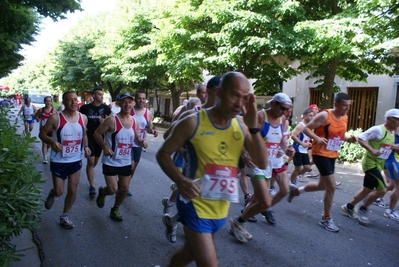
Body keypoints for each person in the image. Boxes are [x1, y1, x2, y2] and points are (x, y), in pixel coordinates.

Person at [156, 71, 267, 266]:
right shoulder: (193, 121)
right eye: (234, 95)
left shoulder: (241, 126)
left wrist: (254, 128)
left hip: (221, 207)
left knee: (187, 254)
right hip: (194, 205)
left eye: (244, 98)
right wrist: (180, 180)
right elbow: (163, 154)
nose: (239, 104)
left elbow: (262, 163)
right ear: (219, 92)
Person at [288, 92, 356, 232]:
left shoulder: (344, 118)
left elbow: (338, 136)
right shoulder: (324, 115)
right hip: (320, 153)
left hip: (332, 153)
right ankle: (326, 218)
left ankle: (296, 190)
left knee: (322, 185)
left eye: (348, 106)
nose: (346, 109)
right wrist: (317, 139)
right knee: (331, 186)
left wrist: (349, 139)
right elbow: (306, 128)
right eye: (344, 106)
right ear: (336, 104)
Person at [239, 93, 295, 228]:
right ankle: (240, 222)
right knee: (264, 201)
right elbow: (240, 136)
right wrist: (244, 155)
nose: (285, 112)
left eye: (287, 109)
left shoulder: (282, 120)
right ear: (273, 104)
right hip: (255, 162)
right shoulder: (260, 116)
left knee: (262, 197)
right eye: (283, 108)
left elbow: (280, 140)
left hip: (270, 163)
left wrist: (286, 149)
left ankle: (243, 217)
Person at [39, 90, 90, 229]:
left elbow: (84, 134)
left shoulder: (83, 118)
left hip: (75, 159)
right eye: (70, 100)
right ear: (64, 102)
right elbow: (42, 134)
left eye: (75, 99)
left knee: (73, 190)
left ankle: (65, 216)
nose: (74, 102)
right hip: (59, 160)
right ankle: (52, 194)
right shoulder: (55, 118)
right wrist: (52, 141)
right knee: (59, 191)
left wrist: (86, 147)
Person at [94, 93, 146, 222]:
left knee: (124, 189)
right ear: (119, 103)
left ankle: (115, 209)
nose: (128, 105)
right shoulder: (111, 120)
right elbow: (97, 133)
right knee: (112, 189)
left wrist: (142, 142)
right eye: (125, 102)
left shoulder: (134, 121)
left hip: (125, 161)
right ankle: (103, 192)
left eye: (130, 102)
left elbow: (137, 138)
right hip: (111, 161)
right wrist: (105, 147)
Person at [341, 109, 399, 224]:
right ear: (388, 119)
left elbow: (385, 146)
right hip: (370, 163)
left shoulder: (392, 132)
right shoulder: (378, 130)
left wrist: (394, 147)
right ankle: (362, 209)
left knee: (367, 189)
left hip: (379, 164)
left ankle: (349, 206)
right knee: (382, 190)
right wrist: (371, 149)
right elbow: (361, 138)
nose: (398, 121)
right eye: (396, 119)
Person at [79, 88, 111, 197]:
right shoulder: (85, 108)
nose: (102, 96)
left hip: (100, 138)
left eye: (102, 94)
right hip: (89, 137)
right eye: (99, 94)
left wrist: (104, 122)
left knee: (94, 162)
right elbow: (79, 119)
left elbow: (112, 120)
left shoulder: (105, 108)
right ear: (93, 95)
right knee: (91, 161)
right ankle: (92, 186)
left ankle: (90, 171)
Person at [129, 90, 158, 196]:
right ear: (135, 99)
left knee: (134, 167)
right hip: (127, 143)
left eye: (143, 98)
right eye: (139, 98)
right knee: (130, 165)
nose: (141, 100)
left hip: (139, 144)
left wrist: (153, 131)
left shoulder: (148, 114)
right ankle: (123, 184)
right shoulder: (129, 111)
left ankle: (125, 184)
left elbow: (148, 128)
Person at [289, 109, 315, 184]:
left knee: (307, 167)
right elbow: (293, 135)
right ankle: (292, 182)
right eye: (310, 116)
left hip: (304, 150)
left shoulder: (309, 126)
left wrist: (309, 143)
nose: (312, 118)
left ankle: (293, 177)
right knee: (297, 168)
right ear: (305, 116)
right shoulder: (301, 125)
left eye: (313, 116)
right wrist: (302, 144)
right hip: (297, 149)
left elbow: (306, 138)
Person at [34, 96, 56, 164]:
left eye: (49, 101)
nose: (48, 102)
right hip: (43, 129)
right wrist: (37, 119)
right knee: (44, 144)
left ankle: (47, 150)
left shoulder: (54, 110)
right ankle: (45, 157)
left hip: (51, 130)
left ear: (51, 102)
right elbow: (36, 115)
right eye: (46, 101)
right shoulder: (41, 110)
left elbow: (57, 119)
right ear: (44, 102)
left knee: (49, 144)